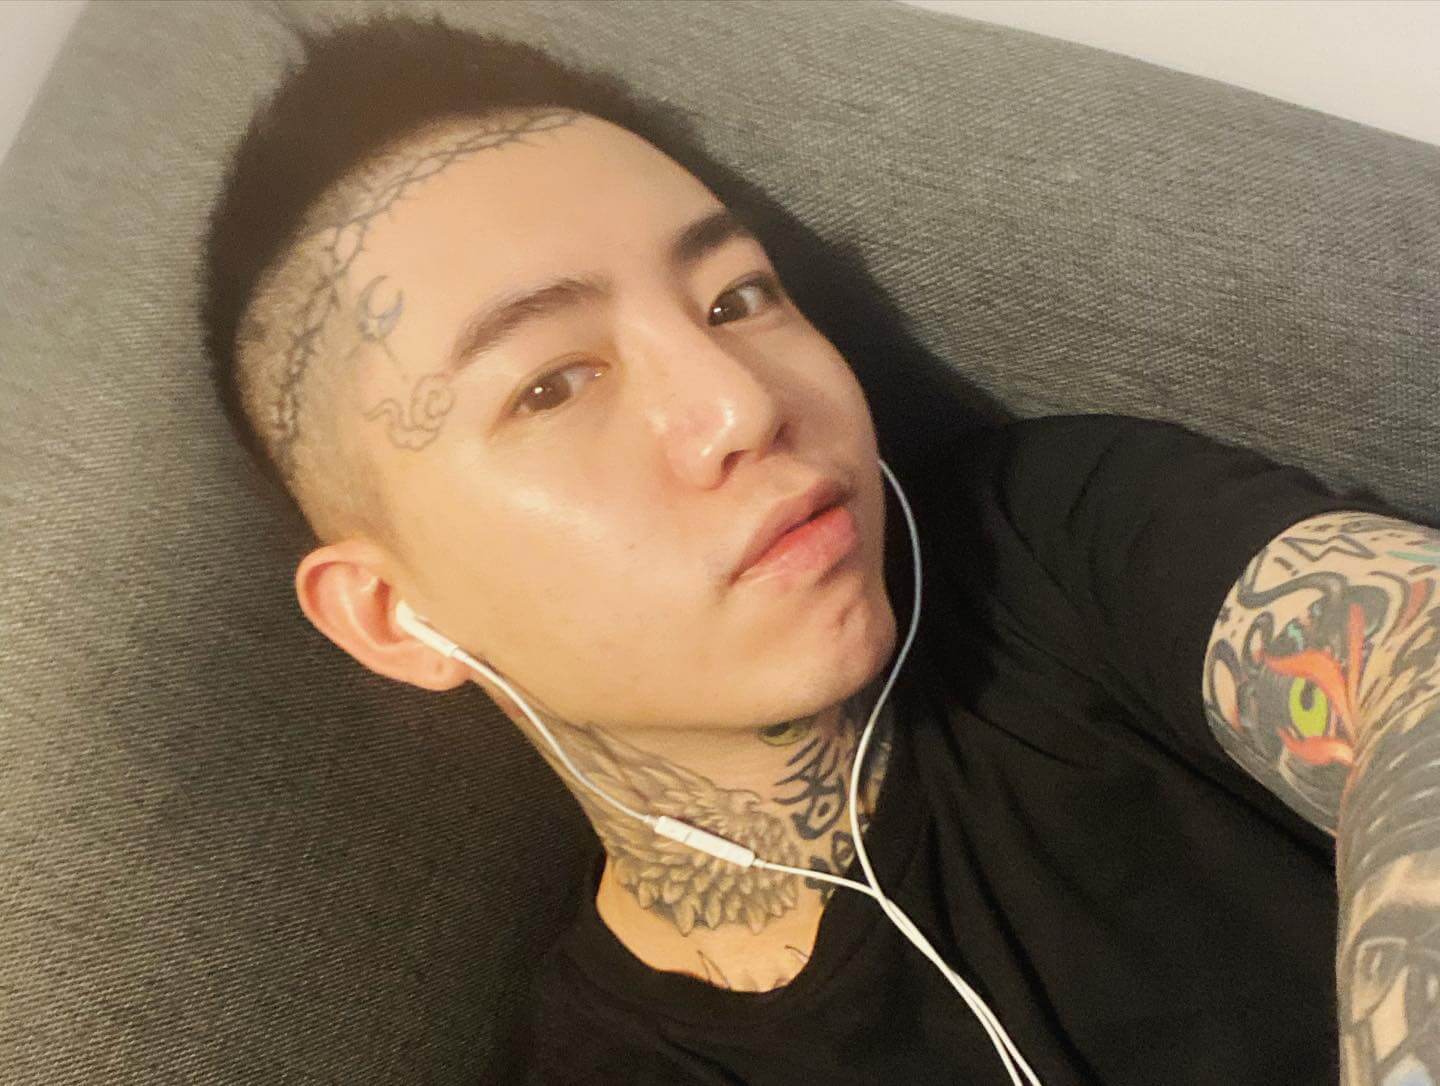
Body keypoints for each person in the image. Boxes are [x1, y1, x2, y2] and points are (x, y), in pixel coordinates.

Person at [200, 13, 1440, 1086]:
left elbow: (1413, 659)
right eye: (553, 384)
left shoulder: (1051, 536)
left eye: (736, 298)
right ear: (391, 616)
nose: (741, 404)